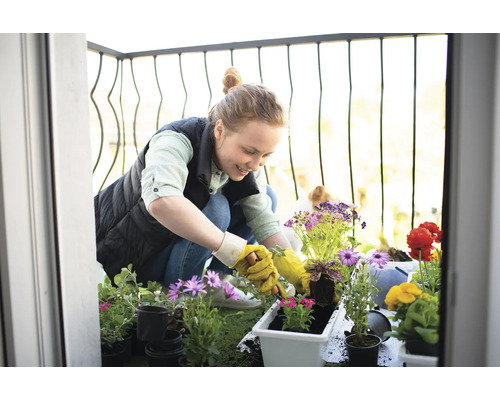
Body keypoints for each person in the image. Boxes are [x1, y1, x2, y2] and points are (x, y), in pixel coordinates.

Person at [94, 67, 309, 309]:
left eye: (266, 155)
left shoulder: (247, 165)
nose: (256, 165)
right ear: (219, 129)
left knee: (265, 195)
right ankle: (183, 296)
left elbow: (263, 219)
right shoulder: (174, 140)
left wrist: (296, 271)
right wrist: (233, 250)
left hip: (164, 243)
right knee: (216, 207)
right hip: (128, 259)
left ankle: (215, 283)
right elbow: (161, 202)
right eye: (249, 151)